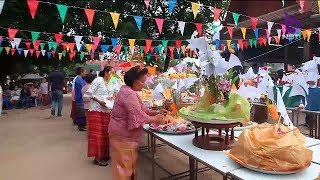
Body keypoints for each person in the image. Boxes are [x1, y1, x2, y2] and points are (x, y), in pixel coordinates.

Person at [109, 66, 166, 179]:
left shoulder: (128, 90)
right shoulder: (129, 94)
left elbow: (142, 109)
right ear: (135, 81)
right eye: (143, 81)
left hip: (122, 136)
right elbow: (138, 116)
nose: (144, 84)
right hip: (123, 137)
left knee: (128, 166)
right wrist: (156, 119)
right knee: (124, 169)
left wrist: (156, 112)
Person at [86, 66, 116, 166]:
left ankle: (104, 155)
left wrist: (111, 98)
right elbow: (89, 94)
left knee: (105, 134)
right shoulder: (98, 80)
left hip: (106, 110)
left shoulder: (111, 82)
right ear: (106, 72)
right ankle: (97, 158)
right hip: (96, 110)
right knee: (97, 134)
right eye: (111, 73)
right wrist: (99, 101)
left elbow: (111, 94)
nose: (112, 75)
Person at [74, 67, 87, 131]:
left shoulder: (80, 79)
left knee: (82, 112)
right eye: (84, 72)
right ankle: (80, 126)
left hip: (80, 98)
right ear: (81, 72)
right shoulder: (79, 80)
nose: (85, 73)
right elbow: (83, 88)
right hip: (80, 98)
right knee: (81, 113)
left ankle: (82, 125)